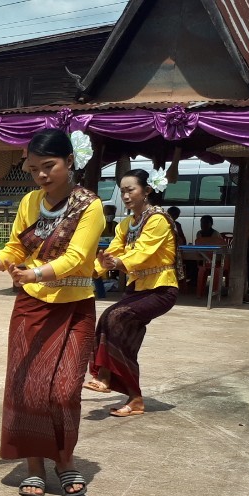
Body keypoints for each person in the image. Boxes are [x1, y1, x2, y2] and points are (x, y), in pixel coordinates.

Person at [0, 128, 102, 496]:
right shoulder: (31, 202)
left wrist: (37, 273)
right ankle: (33, 465)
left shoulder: (89, 205)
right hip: (31, 305)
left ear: (69, 161)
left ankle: (64, 461)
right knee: (28, 388)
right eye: (34, 169)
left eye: (49, 166)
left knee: (64, 390)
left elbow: (78, 257)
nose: (42, 175)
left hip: (75, 306)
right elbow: (15, 249)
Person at [84, 170, 180, 418]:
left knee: (114, 316)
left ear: (147, 191)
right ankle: (133, 398)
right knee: (121, 335)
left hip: (161, 288)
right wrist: (92, 271)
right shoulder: (126, 224)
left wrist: (116, 263)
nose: (125, 195)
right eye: (123, 190)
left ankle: (105, 375)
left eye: (131, 190)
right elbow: (113, 251)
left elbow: (143, 253)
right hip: (138, 288)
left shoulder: (158, 220)